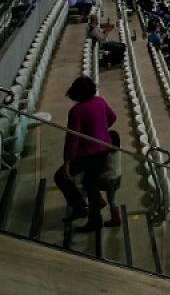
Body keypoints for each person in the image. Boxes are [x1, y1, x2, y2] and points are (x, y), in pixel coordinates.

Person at [54, 76, 116, 232]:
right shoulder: (100, 101)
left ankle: (88, 215)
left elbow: (72, 139)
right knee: (90, 184)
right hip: (104, 149)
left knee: (63, 177)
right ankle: (87, 209)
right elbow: (112, 117)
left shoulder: (77, 111)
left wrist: (67, 162)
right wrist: (100, 130)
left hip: (90, 154)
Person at [103, 130, 123, 228]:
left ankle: (116, 219)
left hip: (109, 180)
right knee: (112, 199)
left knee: (90, 183)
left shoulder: (108, 155)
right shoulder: (119, 149)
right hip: (118, 177)